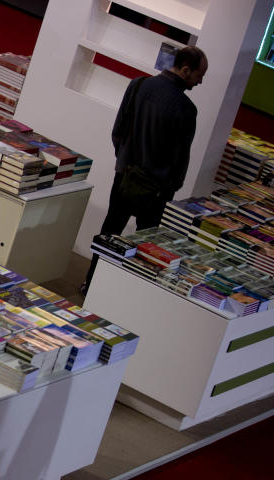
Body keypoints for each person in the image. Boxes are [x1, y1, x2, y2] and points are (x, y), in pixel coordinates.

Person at [81, 46, 208, 294]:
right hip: (156, 190)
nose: (200, 81)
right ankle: (124, 296)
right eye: (198, 75)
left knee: (110, 233)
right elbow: (180, 158)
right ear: (185, 70)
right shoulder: (186, 109)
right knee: (146, 246)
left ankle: (91, 285)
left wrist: (125, 162)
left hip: (125, 176)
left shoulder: (138, 85)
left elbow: (118, 132)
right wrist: (169, 187)